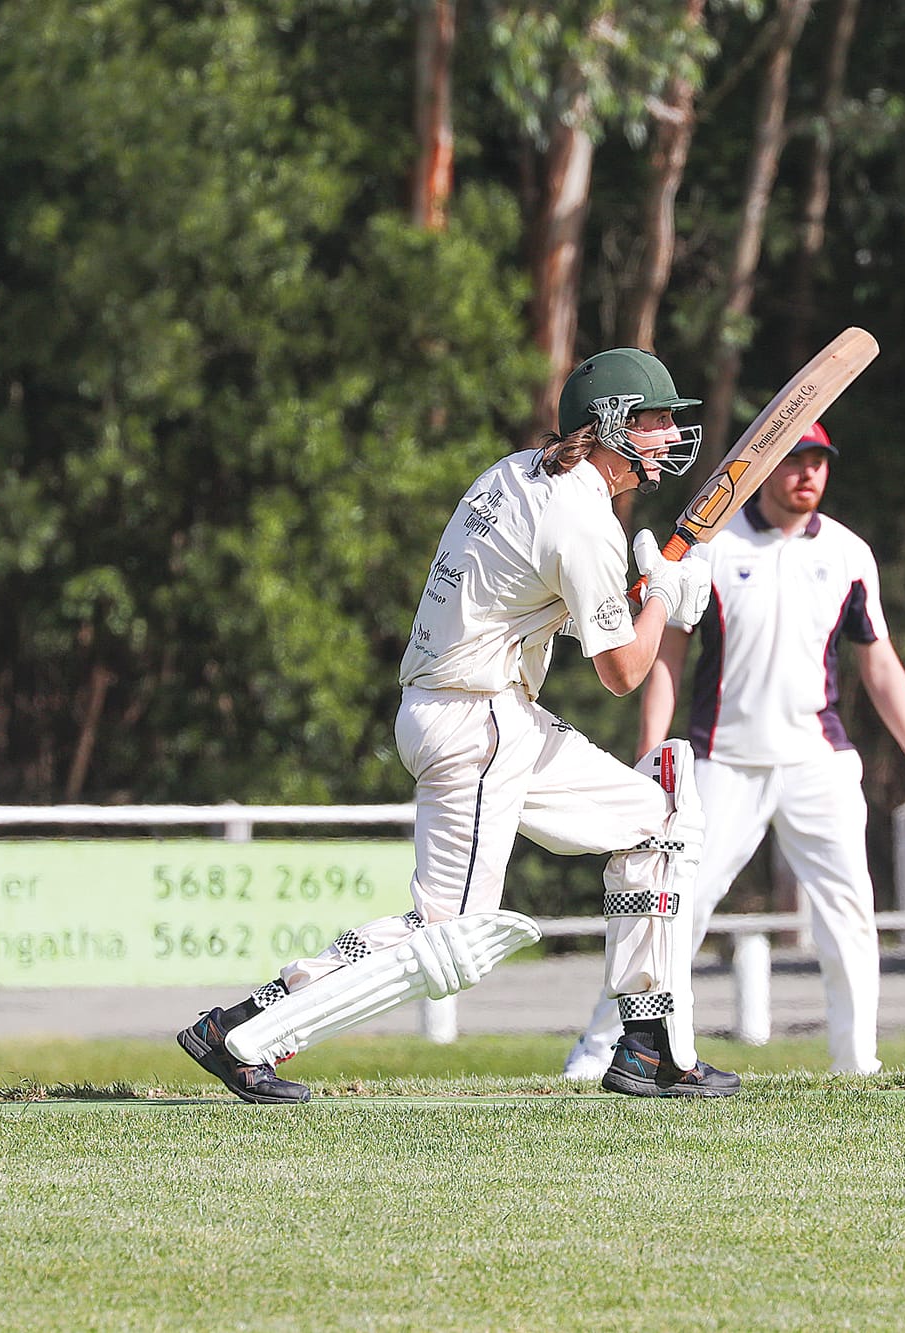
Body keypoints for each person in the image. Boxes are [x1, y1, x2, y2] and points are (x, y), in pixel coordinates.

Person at [177, 347, 740, 1101]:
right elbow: (624, 673)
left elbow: (528, 599)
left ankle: (649, 1044)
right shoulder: (582, 519)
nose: (668, 435)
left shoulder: (517, 472)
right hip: (477, 726)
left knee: (657, 821)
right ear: (607, 424)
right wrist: (665, 597)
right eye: (653, 420)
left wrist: (638, 591)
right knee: (451, 938)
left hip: (480, 712)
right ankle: (245, 1029)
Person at [562, 420, 905, 1078]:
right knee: (673, 913)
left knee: (849, 915)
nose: (808, 474)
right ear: (766, 467)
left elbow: (879, 664)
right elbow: (669, 656)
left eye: (819, 462)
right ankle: (599, 1049)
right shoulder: (712, 550)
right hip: (724, 760)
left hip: (818, 760)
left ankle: (857, 1063)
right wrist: (653, 750)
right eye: (795, 460)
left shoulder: (850, 555)